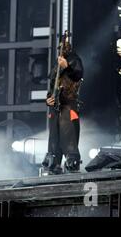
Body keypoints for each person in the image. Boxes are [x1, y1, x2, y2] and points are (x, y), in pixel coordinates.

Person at [42, 41, 83, 174]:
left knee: (68, 132)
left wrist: (67, 67)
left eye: (63, 47)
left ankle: (72, 160)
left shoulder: (74, 60)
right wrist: (48, 99)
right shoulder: (56, 67)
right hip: (56, 106)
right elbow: (51, 88)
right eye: (59, 47)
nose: (61, 49)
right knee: (54, 135)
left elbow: (78, 75)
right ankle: (53, 161)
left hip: (68, 103)